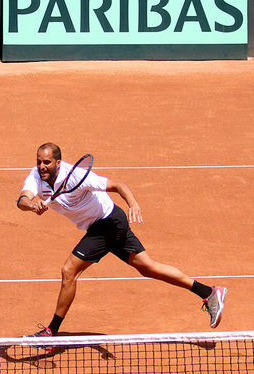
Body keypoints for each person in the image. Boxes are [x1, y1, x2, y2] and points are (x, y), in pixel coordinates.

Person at [17, 142, 227, 339]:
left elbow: (118, 185)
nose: (42, 166)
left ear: (58, 163)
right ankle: (208, 292)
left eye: (47, 162)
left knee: (69, 271)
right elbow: (22, 200)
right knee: (148, 268)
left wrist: (133, 204)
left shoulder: (76, 176)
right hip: (104, 224)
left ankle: (51, 332)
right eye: (39, 161)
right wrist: (32, 206)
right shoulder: (37, 176)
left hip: (108, 223)